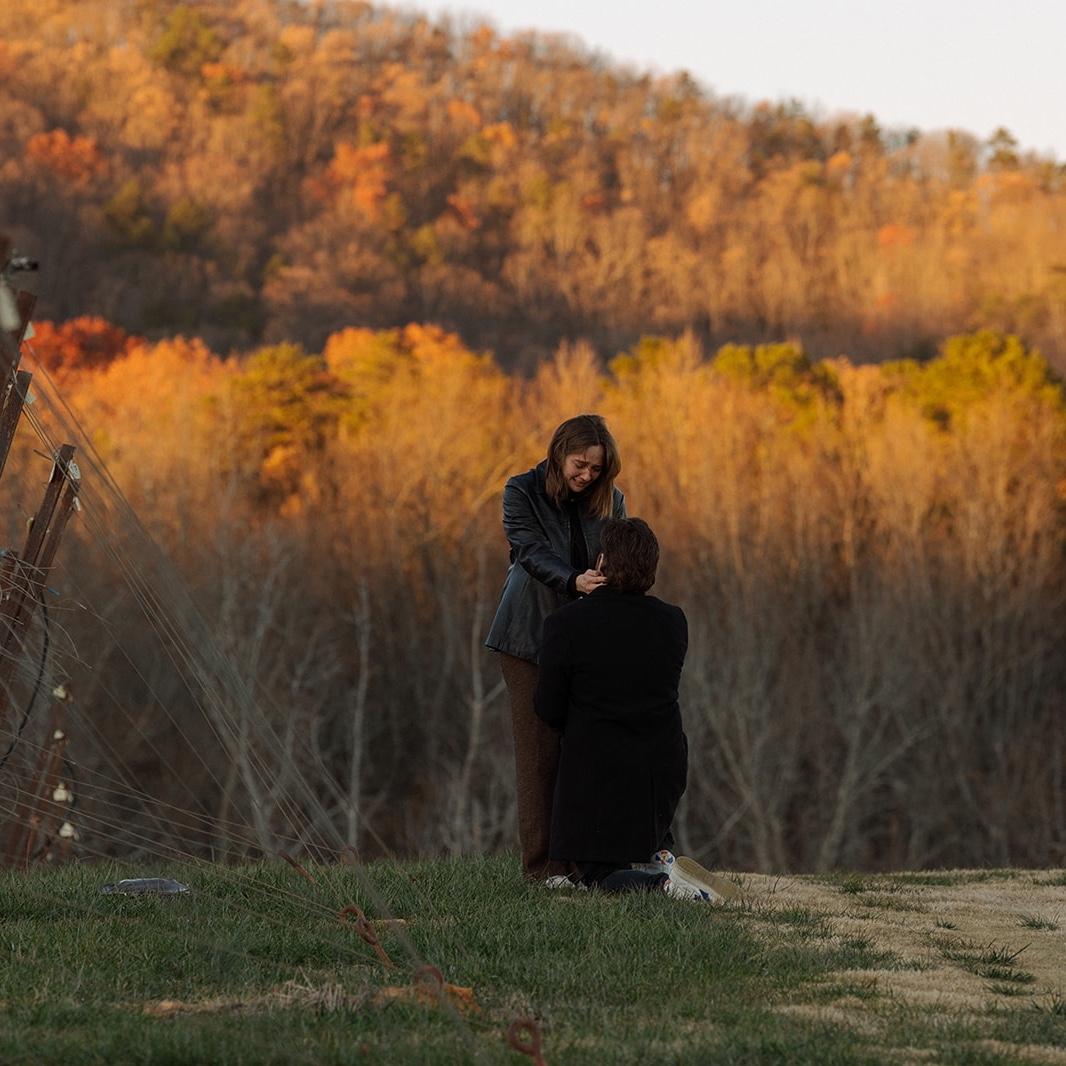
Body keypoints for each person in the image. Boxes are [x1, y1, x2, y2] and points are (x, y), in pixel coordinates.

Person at [534, 517, 740, 901]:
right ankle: (659, 856)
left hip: (597, 772)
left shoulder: (565, 624)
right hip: (661, 768)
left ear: (601, 563)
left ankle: (663, 886)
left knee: (597, 876)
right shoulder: (673, 621)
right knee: (632, 835)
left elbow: (548, 708)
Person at [485, 414, 625, 882]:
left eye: (596, 469)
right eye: (580, 464)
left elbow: (619, 557)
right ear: (559, 452)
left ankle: (584, 862)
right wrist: (573, 579)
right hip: (527, 638)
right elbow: (527, 550)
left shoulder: (612, 500)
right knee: (539, 753)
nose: (587, 475)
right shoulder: (521, 491)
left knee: (584, 750)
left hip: (586, 641)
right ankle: (542, 868)